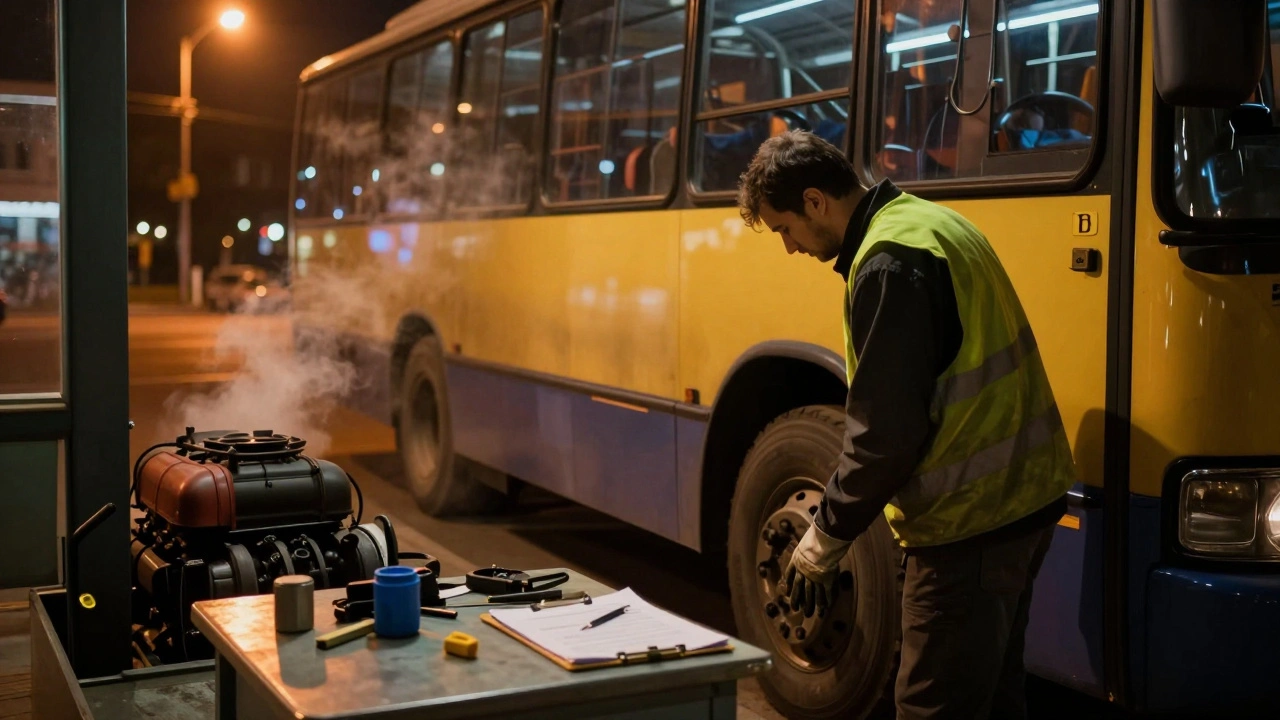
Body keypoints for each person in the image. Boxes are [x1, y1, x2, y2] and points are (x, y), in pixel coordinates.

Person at [736, 130, 1075, 720]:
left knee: (930, 706)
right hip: (1024, 499)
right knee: (992, 695)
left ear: (815, 201)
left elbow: (884, 438)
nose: (789, 247)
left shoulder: (889, 264)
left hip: (970, 523)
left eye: (784, 228)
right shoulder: (930, 223)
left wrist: (822, 540)